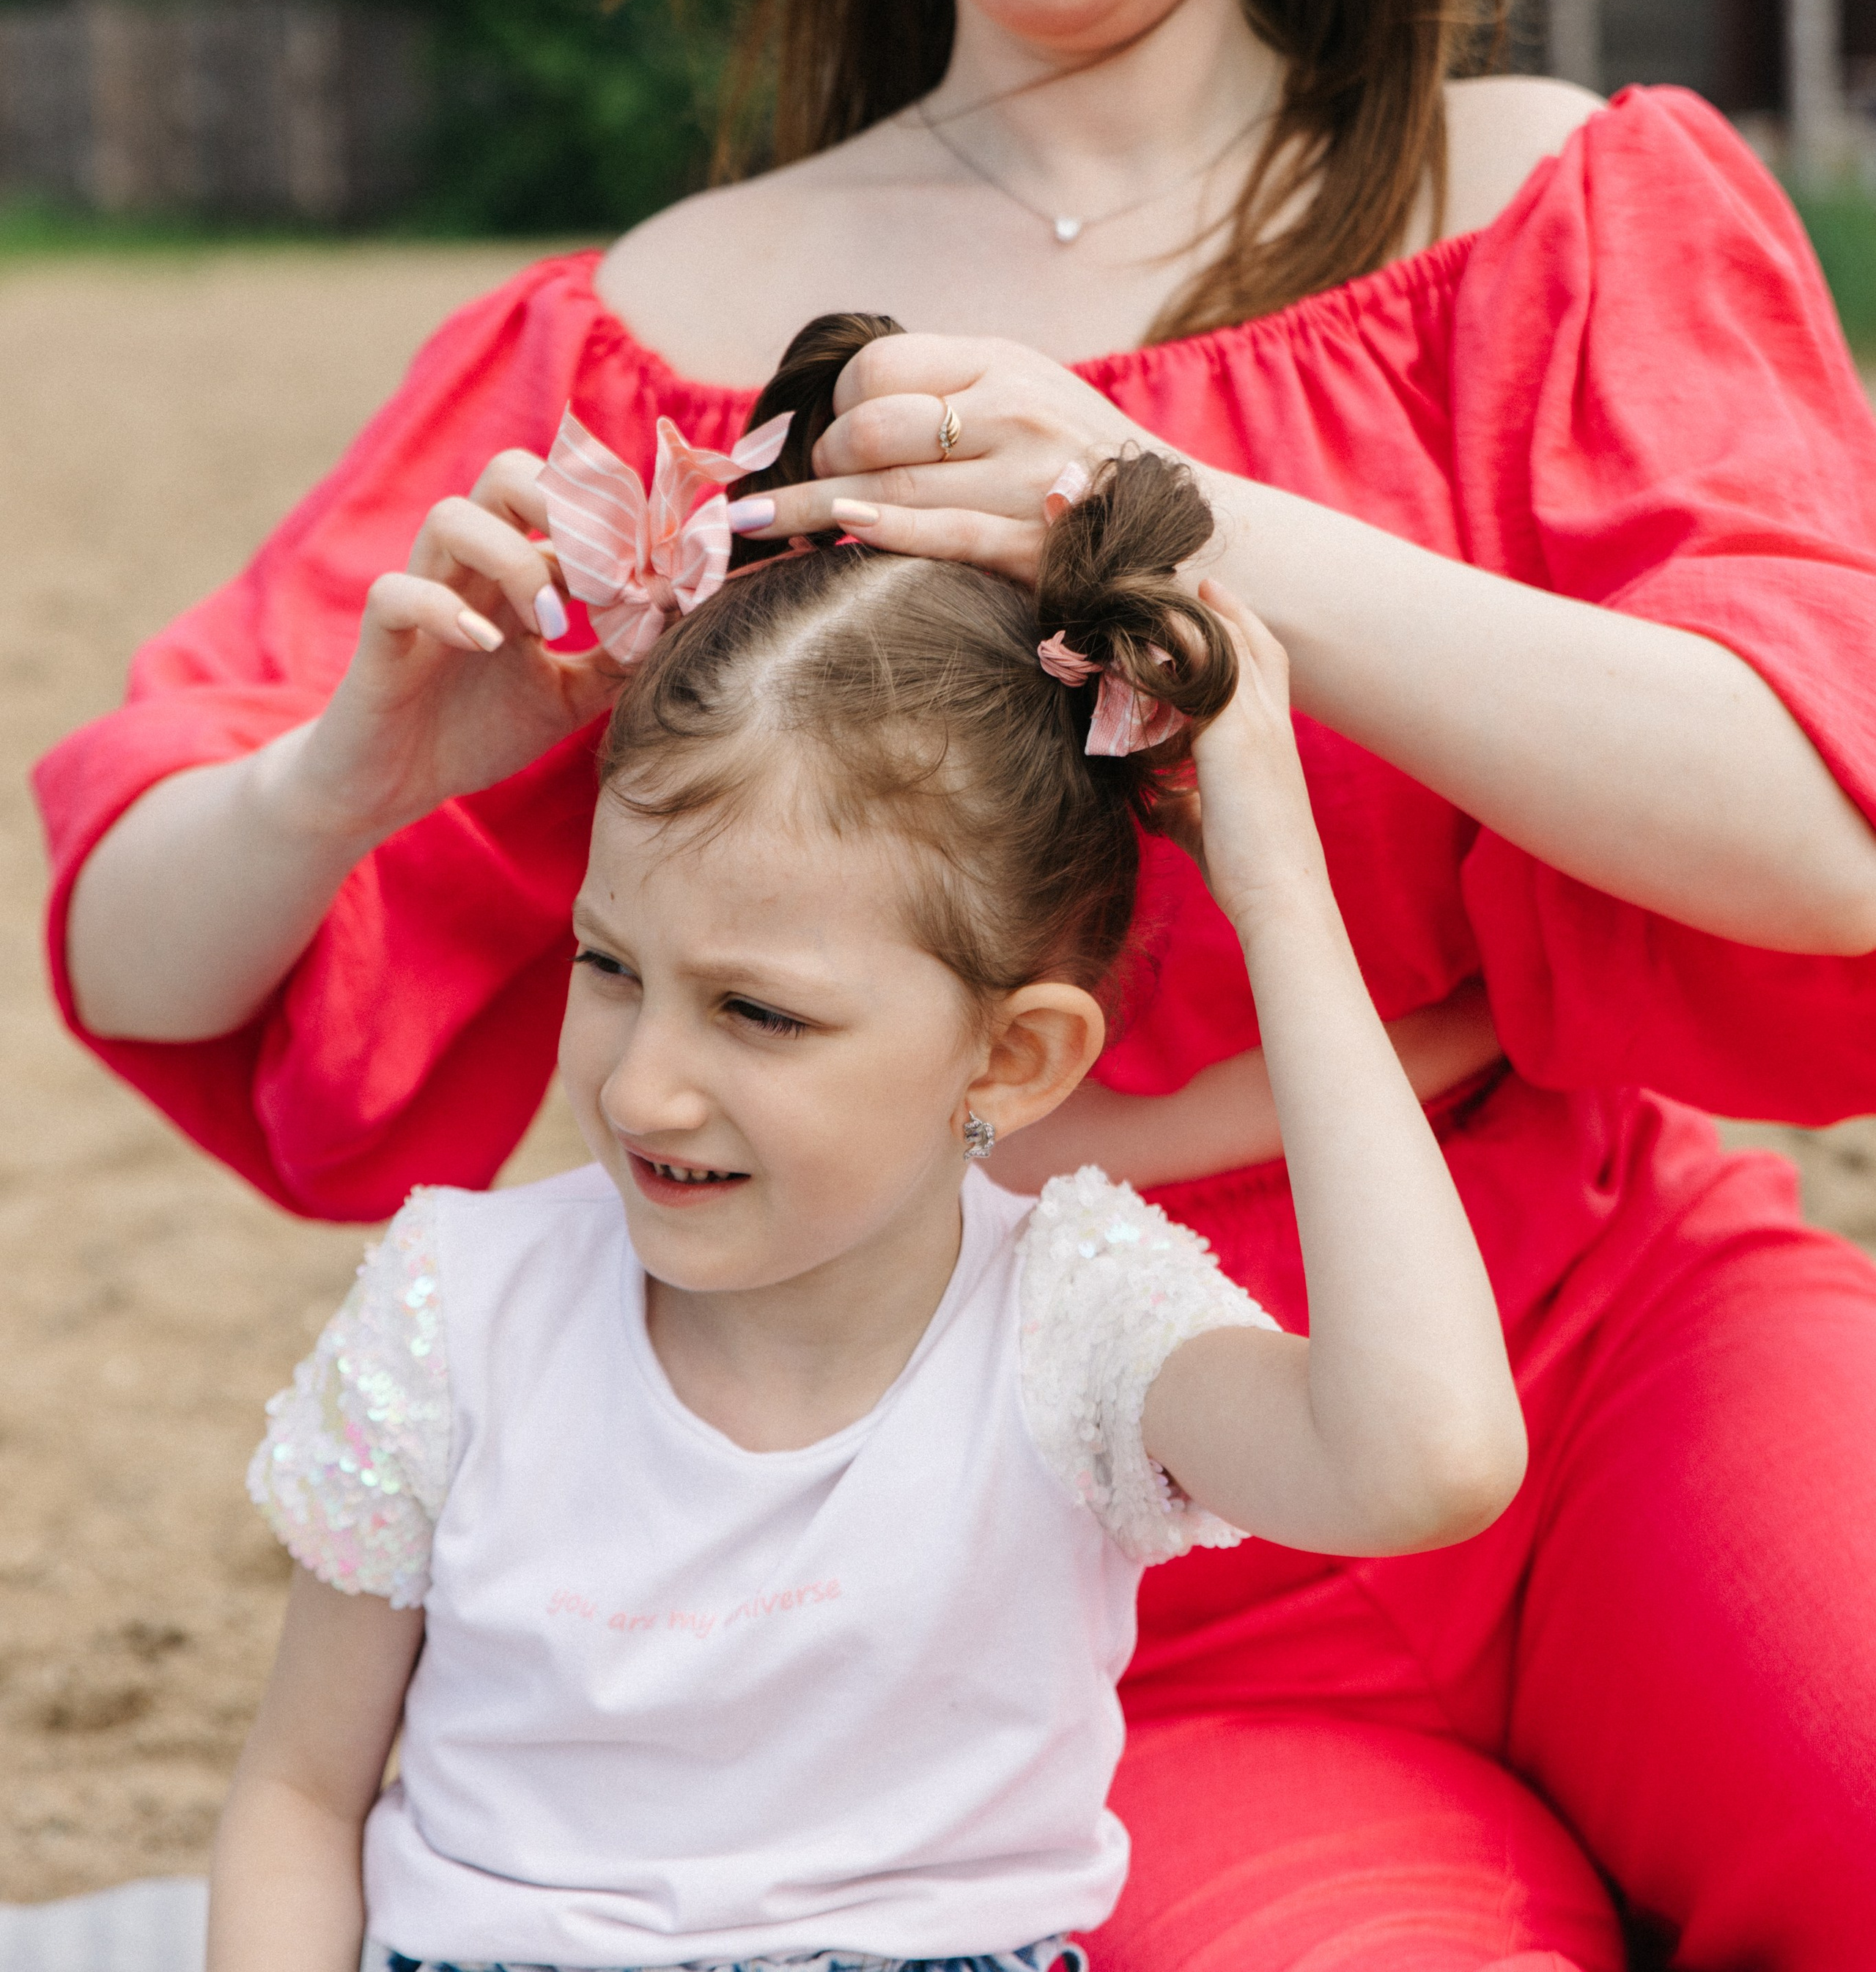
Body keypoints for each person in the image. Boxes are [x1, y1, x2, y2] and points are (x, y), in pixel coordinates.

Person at [34, 0, 1876, 1967]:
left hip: (1616, 1333)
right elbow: (141, 940)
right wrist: (342, 775)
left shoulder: (1551, 199)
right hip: (1082, 1488)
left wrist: (1180, 512)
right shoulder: (666, 326)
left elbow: (1824, 832)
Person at [204, 340, 1530, 1972]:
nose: (646, 1089)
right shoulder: (457, 1311)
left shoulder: (1072, 1330)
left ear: (1011, 1056)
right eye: (609, 969)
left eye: (758, 1014)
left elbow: (1425, 1462)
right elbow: (296, 1797)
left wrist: (1279, 897)